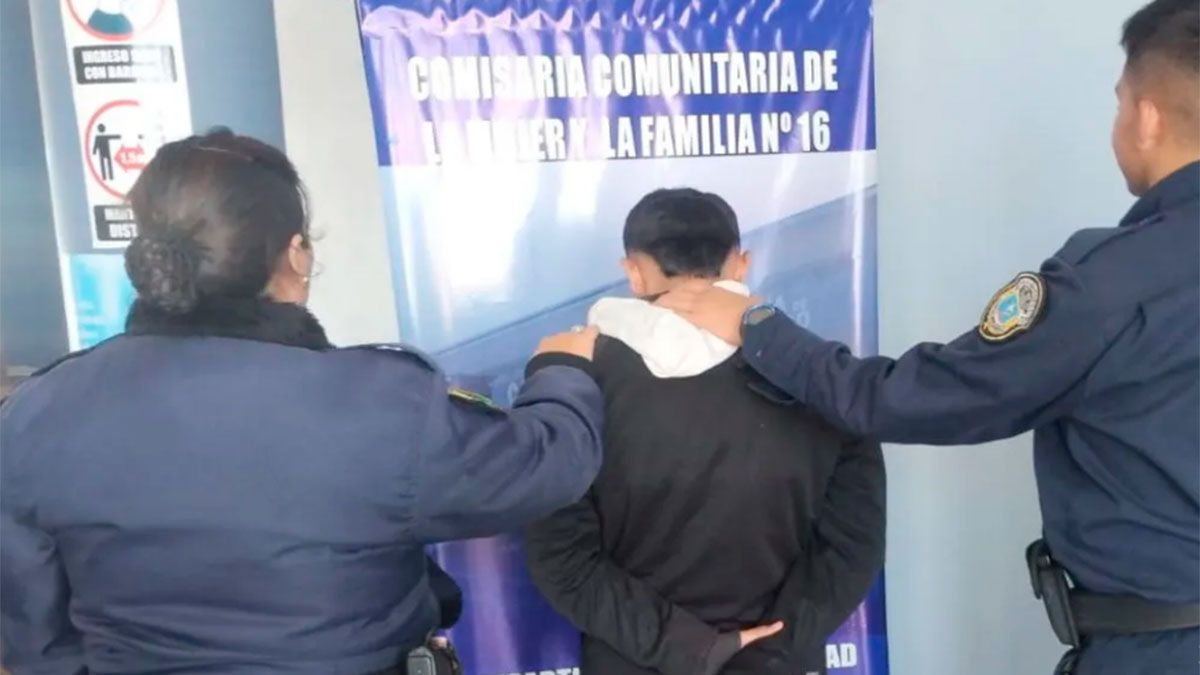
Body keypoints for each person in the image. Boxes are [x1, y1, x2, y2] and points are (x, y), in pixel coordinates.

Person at [657, 2, 1199, 673]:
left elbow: (916, 398)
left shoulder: (1114, 282)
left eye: (1120, 105)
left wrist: (757, 326)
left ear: (1146, 118)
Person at [0, 128, 604, 674]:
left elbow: (36, 638)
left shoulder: (40, 410)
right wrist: (564, 370)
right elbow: (547, 465)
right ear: (295, 255)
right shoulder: (380, 405)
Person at [525, 188, 886, 675]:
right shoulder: (823, 377)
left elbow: (562, 561)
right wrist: (768, 653)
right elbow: (852, 548)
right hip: (777, 665)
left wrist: (698, 650)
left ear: (633, 272)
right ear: (741, 265)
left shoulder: (573, 383)